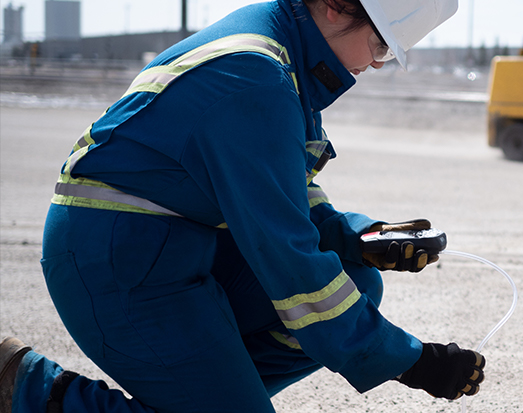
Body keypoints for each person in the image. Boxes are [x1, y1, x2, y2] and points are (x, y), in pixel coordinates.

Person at [0, 0, 488, 411]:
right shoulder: (257, 77)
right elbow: (292, 265)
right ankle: (27, 392)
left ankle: (214, 392)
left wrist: (356, 236)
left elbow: (282, 192)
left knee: (359, 281)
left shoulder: (280, 49)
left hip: (170, 245)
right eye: (381, 45)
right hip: (117, 256)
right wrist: (411, 361)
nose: (377, 63)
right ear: (336, 6)